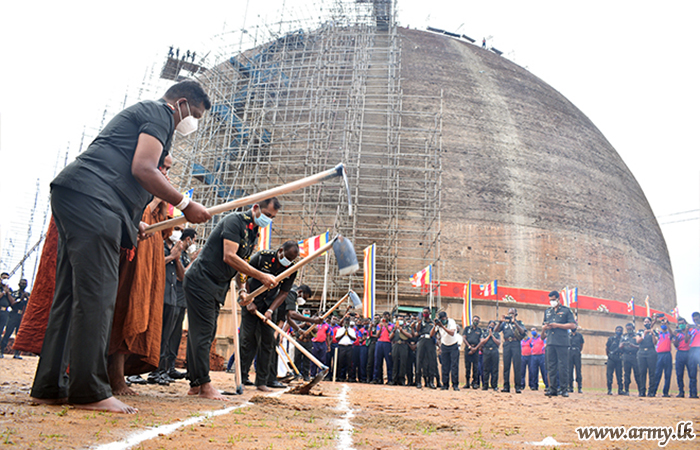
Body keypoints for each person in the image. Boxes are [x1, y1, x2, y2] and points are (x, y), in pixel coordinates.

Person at [30, 80, 212, 414]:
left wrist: (134, 223)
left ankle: (49, 386)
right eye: (195, 115)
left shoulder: (146, 113)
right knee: (98, 295)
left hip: (79, 194)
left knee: (70, 296)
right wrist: (186, 204)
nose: (193, 123)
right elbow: (142, 168)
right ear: (182, 103)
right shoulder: (161, 113)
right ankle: (89, 391)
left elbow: (120, 179)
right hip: (92, 199)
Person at [183, 198, 280, 400]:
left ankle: (195, 383)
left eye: (272, 218)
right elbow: (230, 256)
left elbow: (241, 263)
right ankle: (204, 384)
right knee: (204, 333)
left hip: (217, 286)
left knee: (203, 333)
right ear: (255, 208)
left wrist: (243, 289)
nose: (269, 220)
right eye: (267, 215)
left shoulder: (253, 232)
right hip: (201, 280)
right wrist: (261, 275)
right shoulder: (234, 221)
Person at [108, 169, 171, 395]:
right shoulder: (134, 184)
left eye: (169, 169)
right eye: (163, 166)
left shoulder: (159, 203)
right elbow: (138, 219)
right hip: (133, 262)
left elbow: (165, 230)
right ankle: (115, 378)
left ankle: (120, 375)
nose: (165, 173)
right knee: (127, 313)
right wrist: (155, 199)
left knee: (143, 316)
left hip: (151, 268)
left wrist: (163, 202)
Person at [238, 240, 298, 391]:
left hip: (270, 306)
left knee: (268, 343)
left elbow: (284, 292)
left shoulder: (291, 269)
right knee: (247, 340)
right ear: (280, 251)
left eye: (292, 260)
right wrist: (248, 298)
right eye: (287, 257)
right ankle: (242, 377)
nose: (288, 262)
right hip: (251, 301)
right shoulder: (262, 257)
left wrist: (270, 310)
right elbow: (243, 273)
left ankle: (262, 381)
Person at [149, 227, 197, 386]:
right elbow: (154, 265)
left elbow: (182, 276)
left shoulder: (179, 253)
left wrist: (180, 259)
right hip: (160, 296)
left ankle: (164, 370)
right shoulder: (160, 246)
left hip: (173, 298)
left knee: (169, 336)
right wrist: (171, 256)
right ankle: (155, 370)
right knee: (160, 335)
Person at [542, 290, 576, 397]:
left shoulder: (566, 311)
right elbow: (544, 324)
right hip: (550, 341)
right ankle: (553, 389)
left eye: (553, 300)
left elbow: (572, 325)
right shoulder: (548, 311)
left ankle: (564, 389)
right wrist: (545, 327)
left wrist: (557, 325)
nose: (552, 302)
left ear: (558, 299)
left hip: (562, 342)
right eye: (550, 300)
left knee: (563, 366)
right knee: (551, 366)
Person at [496, 307, 525, 393]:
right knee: (506, 366)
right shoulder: (504, 324)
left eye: (512, 313)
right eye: (509, 313)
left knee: (517, 366)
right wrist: (500, 321)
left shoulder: (519, 322)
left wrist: (514, 322)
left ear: (516, 314)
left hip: (515, 344)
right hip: (507, 344)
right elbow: (496, 330)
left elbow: (523, 331)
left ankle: (518, 387)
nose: (510, 315)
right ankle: (506, 386)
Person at [1, 278, 29, 358]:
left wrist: (27, 297)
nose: (23, 285)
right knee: (8, 332)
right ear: (19, 284)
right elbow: (13, 303)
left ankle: (17, 353)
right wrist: (21, 298)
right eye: (22, 283)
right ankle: (1, 350)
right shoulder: (15, 293)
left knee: (19, 335)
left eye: (25, 283)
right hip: (14, 314)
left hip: (22, 315)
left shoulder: (27, 294)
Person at [433, 311, 459, 391]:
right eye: (441, 319)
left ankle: (455, 385)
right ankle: (445, 384)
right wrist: (435, 326)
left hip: (453, 345)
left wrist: (442, 326)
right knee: (445, 366)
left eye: (443, 319)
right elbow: (432, 334)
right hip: (444, 346)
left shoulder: (451, 321)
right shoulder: (439, 324)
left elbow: (452, 333)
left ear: (446, 317)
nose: (443, 320)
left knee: (454, 366)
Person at [649, 315, 672, 397]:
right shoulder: (658, 333)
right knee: (657, 373)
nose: (663, 324)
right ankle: (653, 391)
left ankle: (665, 392)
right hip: (659, 354)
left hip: (667, 354)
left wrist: (667, 325)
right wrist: (654, 321)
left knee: (667, 374)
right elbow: (650, 329)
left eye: (665, 323)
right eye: (662, 323)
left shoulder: (669, 333)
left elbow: (672, 334)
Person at [414, 307, 437, 389]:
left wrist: (435, 325)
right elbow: (417, 331)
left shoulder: (432, 323)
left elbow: (433, 334)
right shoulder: (420, 321)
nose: (425, 314)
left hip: (430, 341)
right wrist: (419, 323)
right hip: (422, 340)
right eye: (424, 312)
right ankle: (418, 382)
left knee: (431, 361)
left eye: (426, 312)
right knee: (419, 360)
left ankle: (431, 382)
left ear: (430, 313)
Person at [635, 316, 658, 397]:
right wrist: (644, 335)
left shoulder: (654, 331)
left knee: (652, 372)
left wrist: (652, 334)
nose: (646, 323)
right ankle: (642, 391)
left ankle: (651, 391)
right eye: (645, 322)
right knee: (642, 372)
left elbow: (655, 342)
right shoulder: (640, 331)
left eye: (648, 322)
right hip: (641, 352)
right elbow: (638, 341)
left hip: (651, 352)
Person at [389, 314, 413, 386]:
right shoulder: (394, 328)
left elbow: (410, 336)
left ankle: (401, 380)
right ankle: (394, 379)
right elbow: (390, 337)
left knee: (403, 363)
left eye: (401, 319)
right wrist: (395, 330)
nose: (400, 321)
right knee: (395, 362)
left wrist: (401, 330)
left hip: (404, 345)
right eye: (399, 319)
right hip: (396, 345)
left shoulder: (406, 327)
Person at [477, 320, 500, 391]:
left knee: (495, 369)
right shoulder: (484, 333)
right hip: (486, 351)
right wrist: (488, 336)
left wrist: (492, 335)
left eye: (493, 325)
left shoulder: (497, 334)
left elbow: (498, 343)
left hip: (494, 351)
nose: (492, 326)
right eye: (491, 325)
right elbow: (482, 342)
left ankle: (494, 385)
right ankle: (485, 385)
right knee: (486, 368)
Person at [371, 312, 394, 384]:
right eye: (384, 317)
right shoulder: (379, 325)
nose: (385, 318)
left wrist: (386, 326)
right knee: (377, 361)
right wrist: (381, 327)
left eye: (387, 317)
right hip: (379, 343)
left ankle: (390, 379)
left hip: (388, 343)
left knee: (389, 362)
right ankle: (376, 378)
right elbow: (377, 335)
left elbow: (391, 333)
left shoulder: (392, 325)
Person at [461, 315, 482, 389]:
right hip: (468, 349)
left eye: (477, 320)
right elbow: (464, 338)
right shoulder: (467, 329)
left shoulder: (479, 330)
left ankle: (475, 383)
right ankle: (467, 383)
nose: (475, 321)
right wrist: (470, 347)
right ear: (472, 320)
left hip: (476, 350)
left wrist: (475, 349)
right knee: (467, 367)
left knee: (475, 367)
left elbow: (481, 341)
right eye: (474, 320)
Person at [619, 322, 640, 396]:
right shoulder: (624, 337)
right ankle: (626, 390)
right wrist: (622, 345)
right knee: (626, 374)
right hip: (626, 356)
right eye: (627, 329)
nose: (629, 330)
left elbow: (640, 346)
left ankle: (640, 390)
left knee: (637, 374)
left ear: (633, 328)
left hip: (635, 356)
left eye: (630, 329)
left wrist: (633, 346)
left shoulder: (637, 336)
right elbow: (620, 346)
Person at [334, 314, 357, 382]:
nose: (346, 324)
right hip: (342, 347)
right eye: (345, 322)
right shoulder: (340, 329)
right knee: (340, 362)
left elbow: (354, 338)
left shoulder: (352, 330)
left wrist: (348, 333)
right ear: (343, 323)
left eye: (348, 322)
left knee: (349, 363)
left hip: (349, 347)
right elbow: (337, 338)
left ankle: (349, 377)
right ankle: (340, 377)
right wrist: (344, 333)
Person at [673, 317, 691, 397]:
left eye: (683, 323)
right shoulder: (677, 333)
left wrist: (686, 331)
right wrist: (675, 337)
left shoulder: (690, 332)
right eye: (680, 324)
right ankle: (681, 391)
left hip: (689, 353)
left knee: (691, 373)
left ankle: (692, 392)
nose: (681, 325)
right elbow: (675, 345)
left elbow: (687, 340)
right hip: (680, 353)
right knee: (679, 374)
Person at [605, 326, 624, 395]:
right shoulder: (611, 339)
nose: (619, 332)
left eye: (620, 330)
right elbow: (607, 348)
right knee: (609, 374)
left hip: (619, 358)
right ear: (615, 331)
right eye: (618, 330)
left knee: (619, 375)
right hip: (611, 358)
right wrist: (609, 356)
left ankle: (620, 390)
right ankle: (609, 390)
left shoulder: (623, 339)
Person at [568, 325, 584, 393]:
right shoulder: (568, 335)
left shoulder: (579, 335)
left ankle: (579, 387)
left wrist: (578, 350)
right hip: (569, 352)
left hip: (577, 352)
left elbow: (581, 344)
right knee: (569, 370)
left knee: (578, 370)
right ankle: (570, 387)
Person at [687, 311, 700, 399]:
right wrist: (687, 330)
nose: (695, 320)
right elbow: (686, 340)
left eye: (697, 318)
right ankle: (693, 393)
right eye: (694, 319)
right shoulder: (691, 329)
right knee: (692, 372)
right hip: (692, 349)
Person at [0, 273, 13, 355]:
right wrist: (3, 292)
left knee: (1, 330)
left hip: (5, 312)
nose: (6, 279)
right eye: (4, 278)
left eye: (7, 278)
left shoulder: (9, 289)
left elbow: (12, 302)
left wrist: (8, 292)